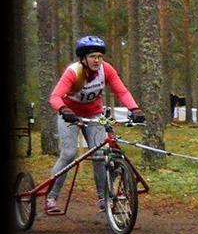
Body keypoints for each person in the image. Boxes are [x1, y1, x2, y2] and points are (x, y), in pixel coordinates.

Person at [45, 35, 145, 213]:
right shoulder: (73, 72)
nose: (97, 60)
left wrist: (134, 108)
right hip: (69, 116)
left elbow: (121, 91)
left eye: (100, 56)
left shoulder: (106, 70)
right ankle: (52, 197)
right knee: (69, 154)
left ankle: (103, 198)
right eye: (92, 56)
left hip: (94, 115)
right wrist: (63, 109)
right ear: (83, 58)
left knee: (100, 154)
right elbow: (54, 96)